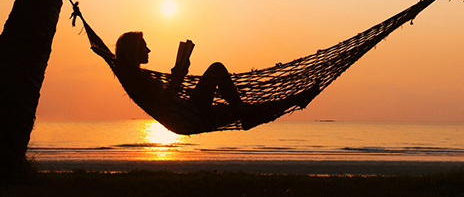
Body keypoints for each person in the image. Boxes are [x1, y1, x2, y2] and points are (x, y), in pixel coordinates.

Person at [113, 31, 318, 134]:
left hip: (188, 113)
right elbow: (165, 102)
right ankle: (295, 100)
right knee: (218, 71)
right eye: (144, 47)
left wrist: (180, 73)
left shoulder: (138, 78)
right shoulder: (139, 80)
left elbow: (167, 99)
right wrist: (177, 76)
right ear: (134, 51)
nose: (149, 51)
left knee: (248, 110)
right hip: (189, 116)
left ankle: (296, 99)